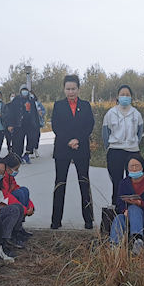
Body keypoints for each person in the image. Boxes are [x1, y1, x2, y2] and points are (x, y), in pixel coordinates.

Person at [50, 75, 96, 230]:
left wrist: (78, 140)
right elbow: (56, 126)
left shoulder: (85, 105)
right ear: (64, 89)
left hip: (81, 148)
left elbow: (89, 125)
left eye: (73, 89)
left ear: (78, 89)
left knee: (84, 183)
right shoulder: (58, 105)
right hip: (63, 148)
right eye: (68, 89)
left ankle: (88, 220)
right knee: (60, 184)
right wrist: (68, 140)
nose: (71, 92)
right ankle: (56, 220)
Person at [110, 155, 144, 257]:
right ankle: (114, 245)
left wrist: (140, 203)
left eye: (137, 166)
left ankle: (138, 240)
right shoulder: (123, 183)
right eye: (131, 166)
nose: (134, 168)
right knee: (119, 217)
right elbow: (119, 202)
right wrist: (124, 210)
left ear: (142, 167)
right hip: (128, 217)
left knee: (134, 207)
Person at [103, 85, 144, 204]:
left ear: (131, 97)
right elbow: (105, 133)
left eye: (127, 95)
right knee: (117, 182)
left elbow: (139, 133)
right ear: (117, 96)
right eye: (122, 94)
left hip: (132, 151)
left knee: (133, 182)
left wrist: (134, 145)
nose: (125, 97)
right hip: (115, 151)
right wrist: (110, 146)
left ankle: (132, 209)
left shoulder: (136, 114)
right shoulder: (111, 113)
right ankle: (117, 209)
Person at [3, 153, 35, 242]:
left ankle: (20, 227)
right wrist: (24, 209)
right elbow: (7, 196)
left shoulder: (10, 176)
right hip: (3, 203)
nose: (17, 171)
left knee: (24, 190)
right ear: (7, 168)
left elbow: (16, 187)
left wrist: (30, 206)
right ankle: (16, 230)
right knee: (20, 193)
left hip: (12, 201)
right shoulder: (2, 177)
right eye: (16, 169)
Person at [5, 85, 36, 164]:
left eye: (26, 90)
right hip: (18, 125)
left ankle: (27, 154)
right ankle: (18, 157)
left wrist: (37, 124)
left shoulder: (31, 100)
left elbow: (35, 113)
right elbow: (11, 113)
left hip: (30, 124)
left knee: (33, 140)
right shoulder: (16, 100)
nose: (24, 91)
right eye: (23, 90)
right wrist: (10, 124)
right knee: (18, 142)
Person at [27, 90, 45, 157]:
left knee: (37, 136)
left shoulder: (38, 103)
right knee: (30, 137)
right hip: (29, 122)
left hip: (37, 122)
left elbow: (43, 110)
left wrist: (41, 113)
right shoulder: (27, 103)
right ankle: (30, 151)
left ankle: (36, 149)